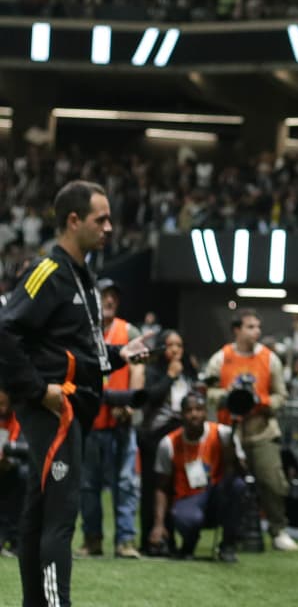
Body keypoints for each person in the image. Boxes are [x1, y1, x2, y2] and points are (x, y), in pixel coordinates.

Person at [0, 180, 150, 607]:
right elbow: (4, 331)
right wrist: (37, 390)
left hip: (70, 410)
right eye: (100, 220)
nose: (109, 228)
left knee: (38, 517)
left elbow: (78, 353)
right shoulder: (47, 272)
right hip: (56, 412)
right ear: (73, 220)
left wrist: (119, 355)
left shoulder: (83, 276)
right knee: (60, 520)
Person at [202, 309, 298, 551]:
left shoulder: (269, 359)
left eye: (258, 327)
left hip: (262, 430)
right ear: (237, 330)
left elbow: (281, 396)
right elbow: (208, 391)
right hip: (230, 432)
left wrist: (260, 402)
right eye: (250, 327)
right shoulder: (220, 358)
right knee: (227, 483)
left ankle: (278, 529)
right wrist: (230, 397)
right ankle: (228, 532)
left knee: (273, 482)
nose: (256, 331)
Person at [78, 278, 144, 559]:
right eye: (105, 295)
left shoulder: (128, 331)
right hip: (90, 420)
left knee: (126, 483)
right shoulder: (82, 331)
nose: (110, 300)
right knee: (88, 484)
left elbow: (138, 368)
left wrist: (130, 404)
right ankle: (92, 539)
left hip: (120, 420)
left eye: (114, 296)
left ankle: (125, 541)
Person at [149, 392, 244, 562]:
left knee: (238, 485)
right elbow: (161, 487)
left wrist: (231, 454)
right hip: (188, 499)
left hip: (216, 496)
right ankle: (189, 544)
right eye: (189, 410)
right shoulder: (168, 443)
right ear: (181, 414)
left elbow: (243, 470)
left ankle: (228, 544)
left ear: (206, 412)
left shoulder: (223, 434)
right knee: (187, 518)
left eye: (199, 409)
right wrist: (158, 525)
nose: (194, 414)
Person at [137, 329, 199, 554]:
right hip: (155, 436)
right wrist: (170, 376)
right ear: (162, 348)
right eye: (170, 345)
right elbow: (150, 398)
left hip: (180, 437)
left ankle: (170, 539)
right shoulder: (153, 370)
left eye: (179, 345)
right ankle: (149, 540)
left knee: (175, 488)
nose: (175, 350)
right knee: (152, 488)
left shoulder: (188, 373)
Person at [0, 387, 26, 556]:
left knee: (22, 476)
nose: (2, 409)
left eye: (3, 403)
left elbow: (27, 449)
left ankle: (16, 536)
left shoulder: (22, 416)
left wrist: (11, 462)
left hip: (18, 468)